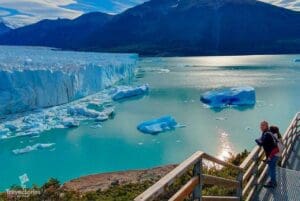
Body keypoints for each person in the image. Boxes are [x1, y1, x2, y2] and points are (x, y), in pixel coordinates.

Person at [255, 121, 279, 188]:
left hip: (272, 155)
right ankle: (273, 181)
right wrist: (260, 139)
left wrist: (256, 140)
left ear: (267, 126)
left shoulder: (267, 134)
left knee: (272, 169)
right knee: (272, 168)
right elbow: (262, 139)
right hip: (274, 154)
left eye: (263, 125)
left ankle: (273, 183)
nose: (261, 127)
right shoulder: (267, 132)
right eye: (261, 125)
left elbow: (261, 142)